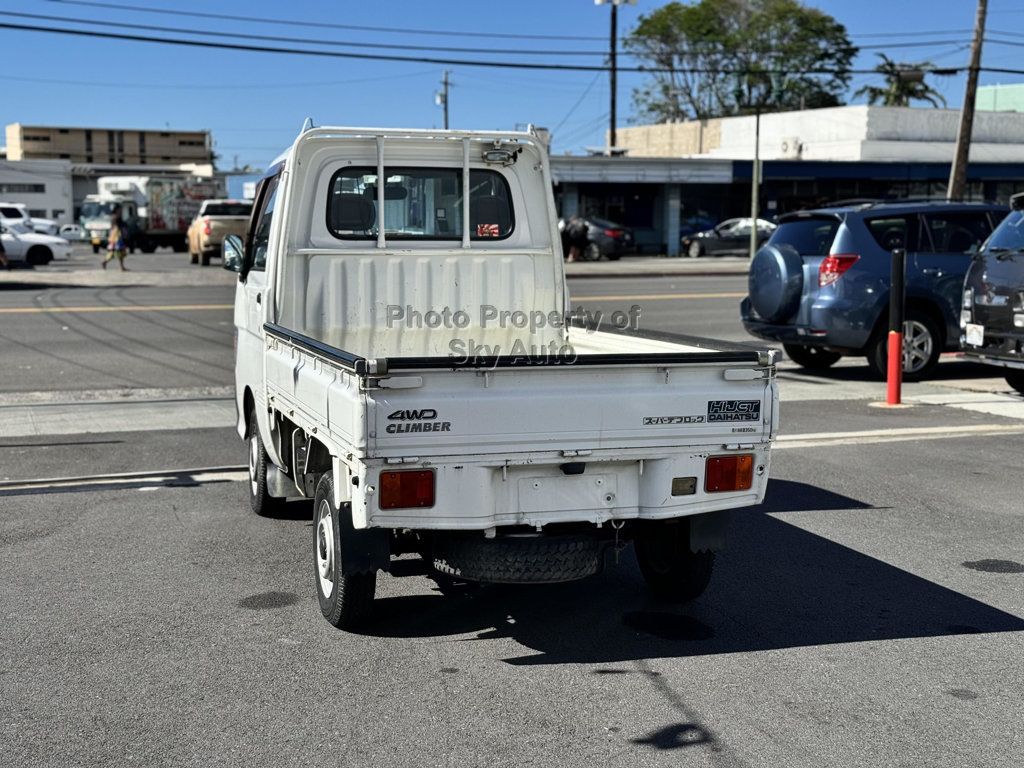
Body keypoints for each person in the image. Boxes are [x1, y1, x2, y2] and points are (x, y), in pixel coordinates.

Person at [102, 207, 128, 271]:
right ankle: (105, 262)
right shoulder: (115, 217)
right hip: (116, 237)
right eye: (119, 210)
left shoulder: (116, 217)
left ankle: (121, 266)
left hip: (116, 237)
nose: (121, 211)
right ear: (116, 210)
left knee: (120, 253)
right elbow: (117, 227)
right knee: (116, 252)